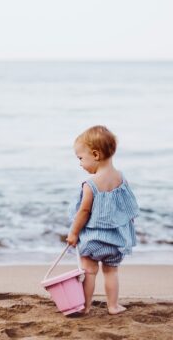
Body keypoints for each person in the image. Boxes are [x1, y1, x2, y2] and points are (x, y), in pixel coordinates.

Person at [67, 125, 139, 314]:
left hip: (93, 241)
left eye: (81, 158)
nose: (80, 164)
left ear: (96, 155)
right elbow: (128, 207)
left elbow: (83, 211)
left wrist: (74, 233)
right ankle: (113, 306)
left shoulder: (90, 184)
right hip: (115, 240)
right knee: (111, 272)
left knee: (89, 272)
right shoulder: (121, 178)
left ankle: (86, 307)